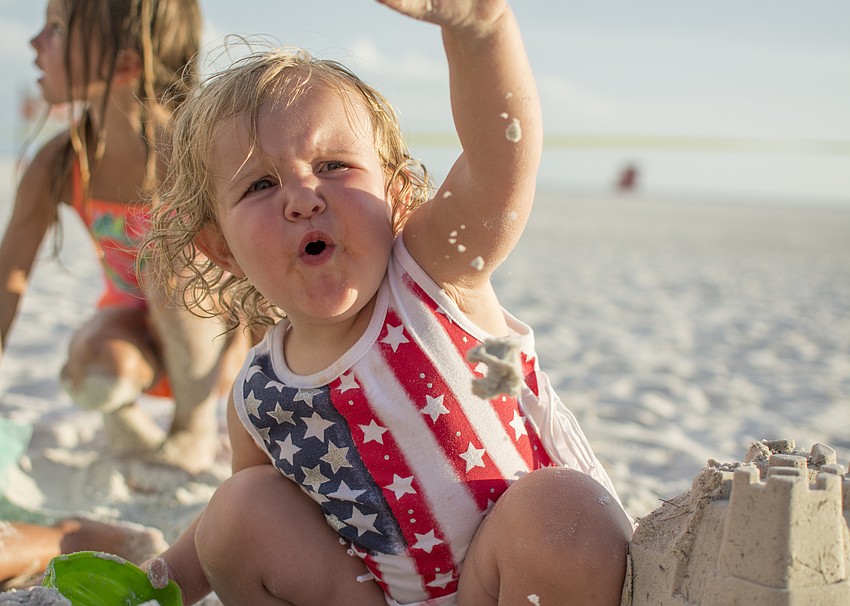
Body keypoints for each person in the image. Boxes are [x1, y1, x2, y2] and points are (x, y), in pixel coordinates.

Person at [143, 0, 634, 604]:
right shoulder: (258, 397)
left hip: (514, 579)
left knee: (561, 509)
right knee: (238, 511)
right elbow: (233, 540)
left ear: (396, 196)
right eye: (261, 184)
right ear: (220, 247)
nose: (301, 197)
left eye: (334, 165)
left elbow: (499, 164)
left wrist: (481, 31)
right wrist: (151, 586)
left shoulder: (432, 274)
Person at [0, 0, 247, 474]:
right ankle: (121, 415)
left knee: (163, 259)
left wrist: (246, 341)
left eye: (54, 28)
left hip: (211, 340)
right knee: (92, 367)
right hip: (134, 336)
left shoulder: (195, 154)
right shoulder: (62, 161)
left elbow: (257, 268)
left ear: (126, 62)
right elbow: (8, 282)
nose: (35, 44)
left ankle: (191, 426)